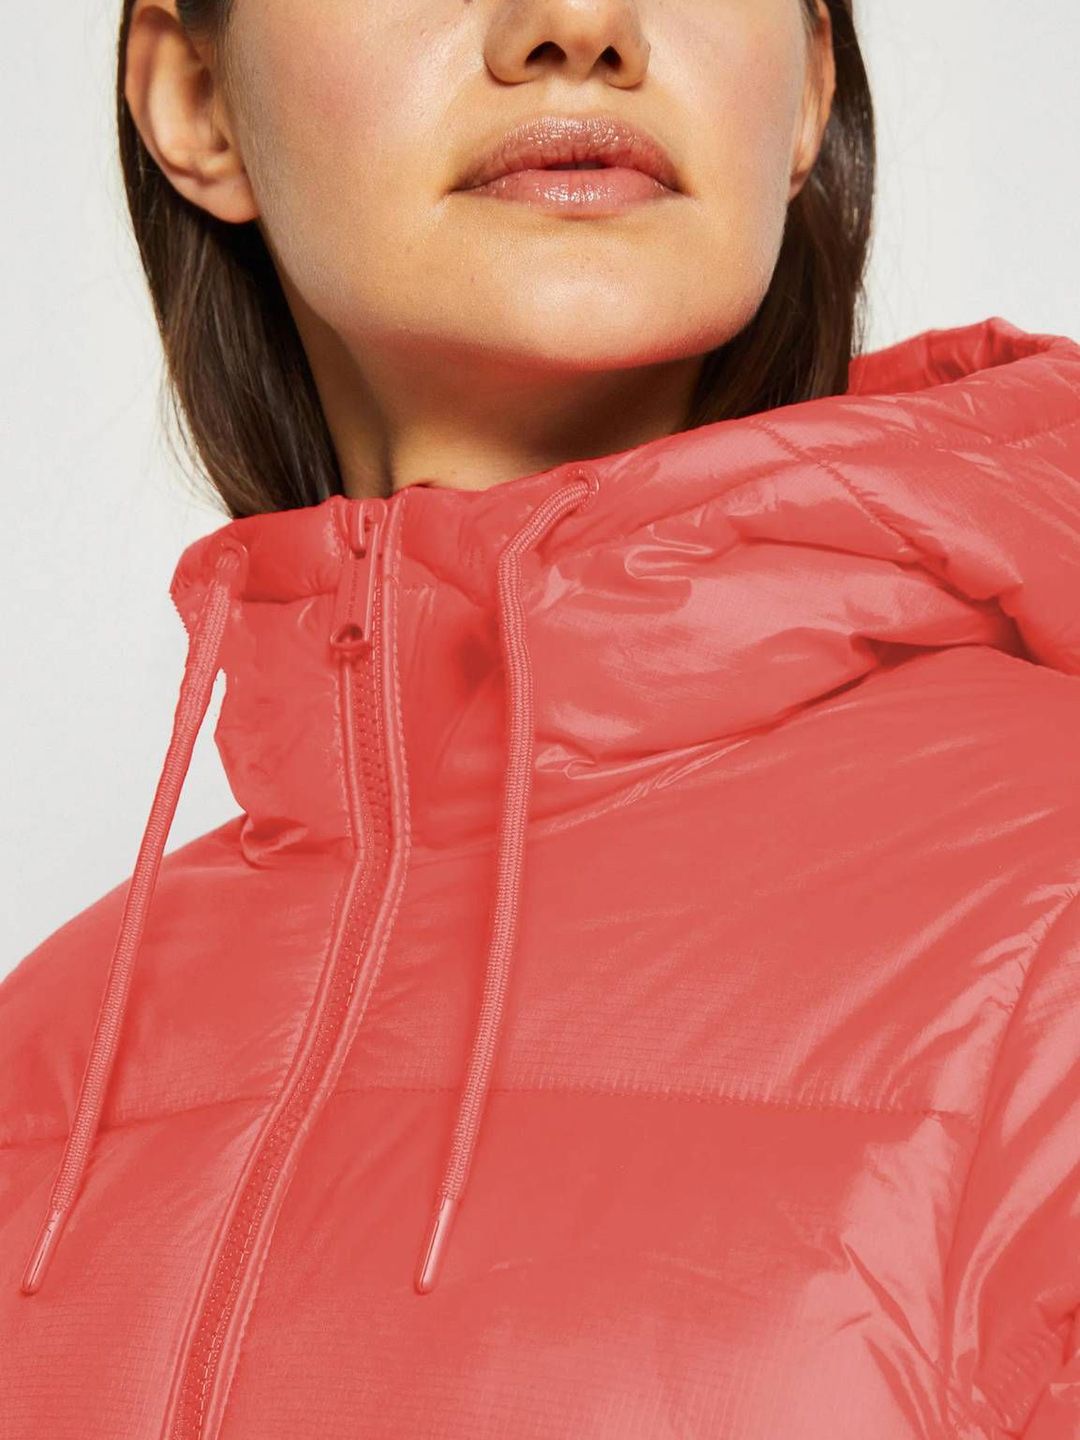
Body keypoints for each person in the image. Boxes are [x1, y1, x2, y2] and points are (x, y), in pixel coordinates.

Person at [3, 0, 1078, 1435]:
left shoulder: (1054, 924)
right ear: (197, 95)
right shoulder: (43, 1061)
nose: (577, 25)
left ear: (809, 87)